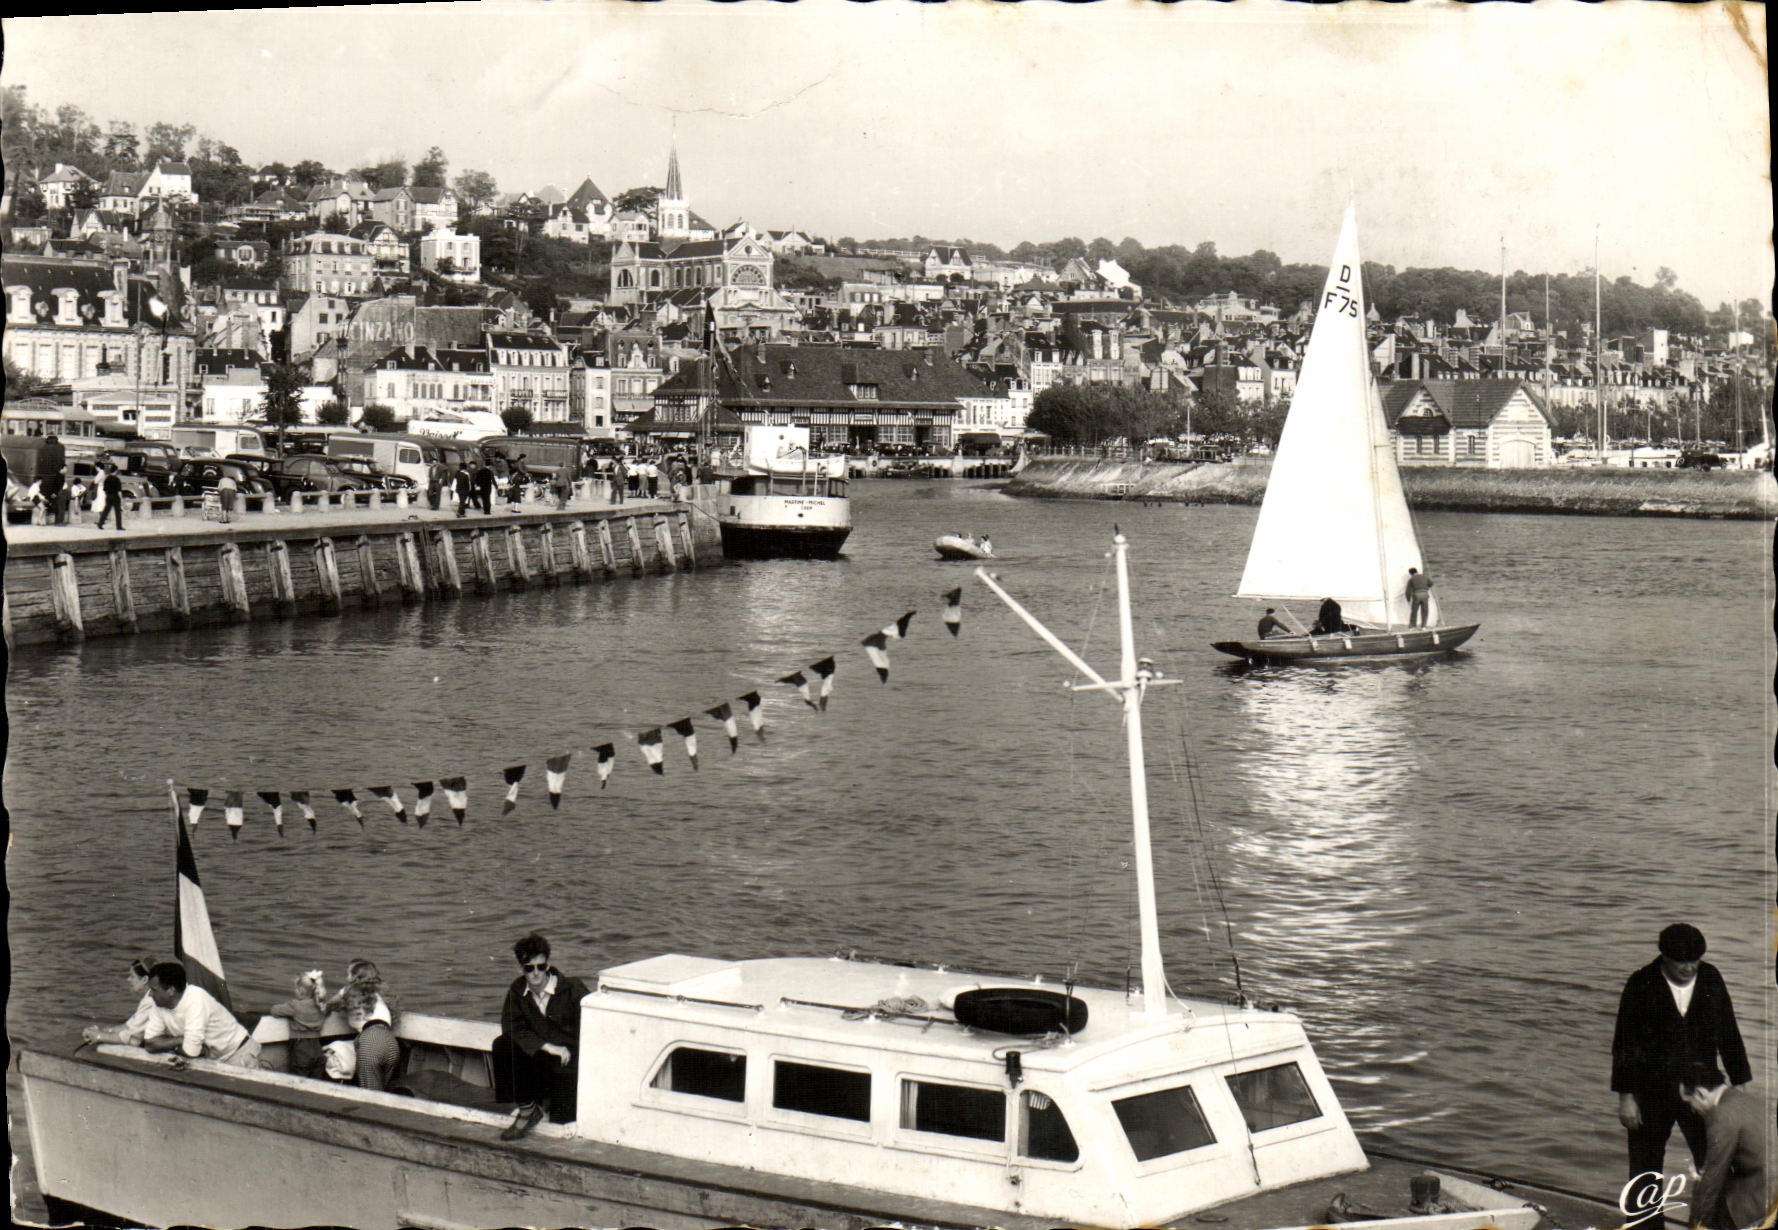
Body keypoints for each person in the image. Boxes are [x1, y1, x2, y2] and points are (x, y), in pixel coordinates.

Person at [1611, 923, 1751, 1180]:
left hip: (1703, 1088)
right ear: (1664, 957)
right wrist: (1626, 1098)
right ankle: (1645, 1221)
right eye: (1681, 962)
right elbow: (1625, 1043)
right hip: (1651, 1090)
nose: (1689, 967)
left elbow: (1729, 1032)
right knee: (1644, 1167)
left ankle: (1716, 1220)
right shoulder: (1641, 982)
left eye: (1695, 961)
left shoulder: (1711, 978)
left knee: (1716, 1162)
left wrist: (1740, 1083)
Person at [493, 932, 590, 1138]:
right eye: (529, 968)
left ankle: (551, 1107)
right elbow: (511, 1027)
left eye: (541, 966)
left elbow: (595, 1025)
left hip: (570, 1065)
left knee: (562, 1122)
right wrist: (548, 1047)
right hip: (541, 1059)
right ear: (520, 968)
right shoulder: (517, 992)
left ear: (548, 964)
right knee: (503, 1044)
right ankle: (528, 1109)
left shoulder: (573, 988)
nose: (536, 973)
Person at [1677, 1063, 1767, 1230]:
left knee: (1705, 1188)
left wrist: (1696, 1224)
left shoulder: (1721, 1116)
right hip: (1767, 1187)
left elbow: (1712, 1180)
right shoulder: (1748, 1100)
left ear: (1700, 1093)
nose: (1693, 1110)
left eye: (1690, 1103)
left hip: (1759, 1201)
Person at [140, 961, 266, 1068]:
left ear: (171, 991)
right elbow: (150, 1044)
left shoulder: (196, 999)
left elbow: (191, 1052)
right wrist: (180, 1040)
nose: (150, 994)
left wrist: (170, 1044)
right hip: (213, 1060)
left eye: (154, 990)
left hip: (239, 1054)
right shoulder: (159, 1004)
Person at [82, 957, 172, 1045]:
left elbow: (133, 1037)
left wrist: (99, 1036)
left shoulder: (151, 1001)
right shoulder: (149, 998)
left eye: (132, 976)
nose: (128, 979)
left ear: (144, 979)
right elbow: (129, 1026)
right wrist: (103, 1031)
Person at [341, 980, 402, 1093]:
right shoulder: (382, 1002)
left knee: (370, 1093)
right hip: (391, 1043)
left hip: (371, 1043)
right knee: (383, 1090)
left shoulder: (356, 1007)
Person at [268, 969, 330, 1079]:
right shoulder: (321, 1006)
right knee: (316, 1080)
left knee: (299, 1079)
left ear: (300, 990)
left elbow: (274, 1010)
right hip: (317, 1047)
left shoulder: (295, 1006)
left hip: (301, 1048)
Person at [99, 463, 125, 531]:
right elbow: (119, 491)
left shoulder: (107, 478)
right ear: (116, 471)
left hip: (108, 496)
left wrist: (107, 494)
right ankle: (119, 526)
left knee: (106, 510)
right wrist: (121, 499)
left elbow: (104, 489)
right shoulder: (117, 479)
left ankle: (100, 523)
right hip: (115, 496)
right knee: (117, 512)